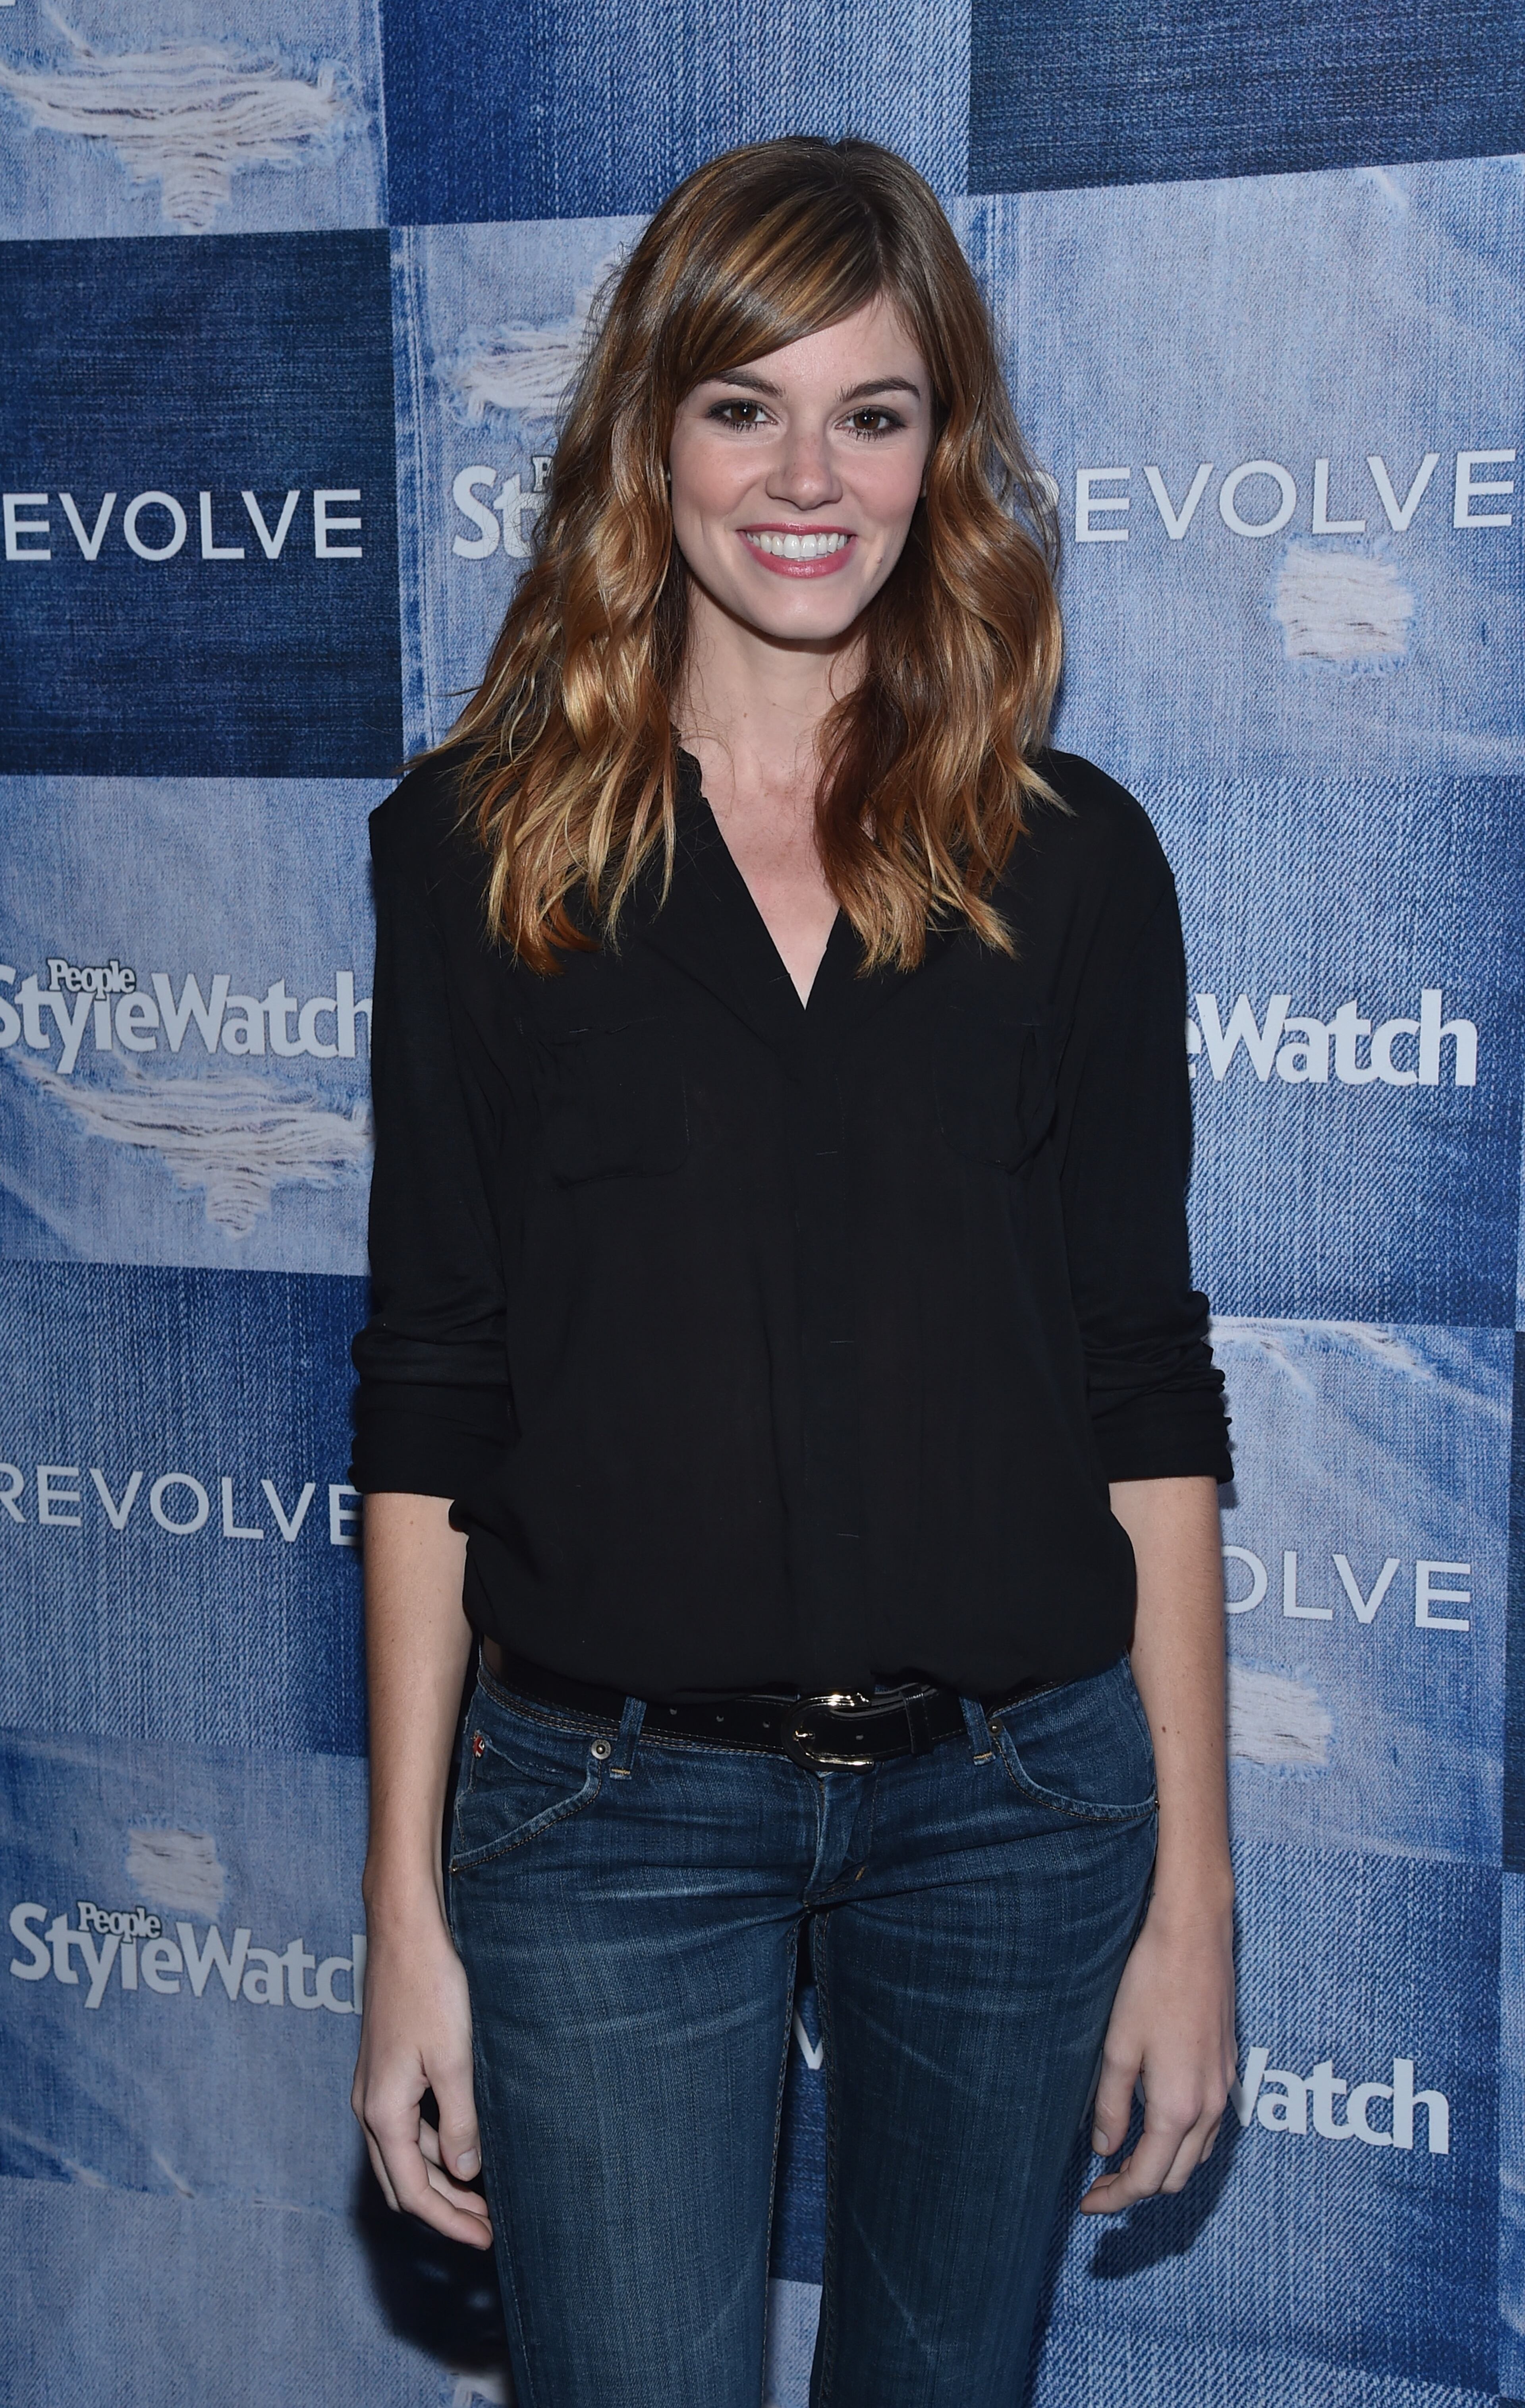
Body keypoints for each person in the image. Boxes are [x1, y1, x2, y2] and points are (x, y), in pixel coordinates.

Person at [349, 133, 1236, 2408]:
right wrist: (404, 1925)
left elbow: (1144, 1385)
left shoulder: (1076, 863)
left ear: (947, 456)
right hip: (608, 1815)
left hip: (1021, 1815)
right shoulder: (475, 854)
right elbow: (434, 1393)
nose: (807, 475)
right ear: (651, 433)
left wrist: (1196, 1909)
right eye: (747, 404)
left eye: (877, 409)